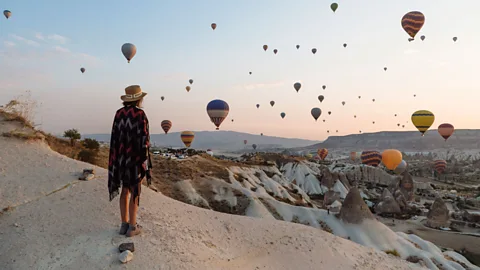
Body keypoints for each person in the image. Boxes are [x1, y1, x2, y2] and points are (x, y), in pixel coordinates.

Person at [108, 85, 152, 237]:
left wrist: (116, 157)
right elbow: (144, 139)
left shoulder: (118, 114)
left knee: (124, 190)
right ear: (139, 99)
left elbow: (114, 137)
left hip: (120, 159)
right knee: (135, 191)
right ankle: (133, 227)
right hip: (134, 159)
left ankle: (123, 224)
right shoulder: (140, 114)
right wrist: (145, 161)